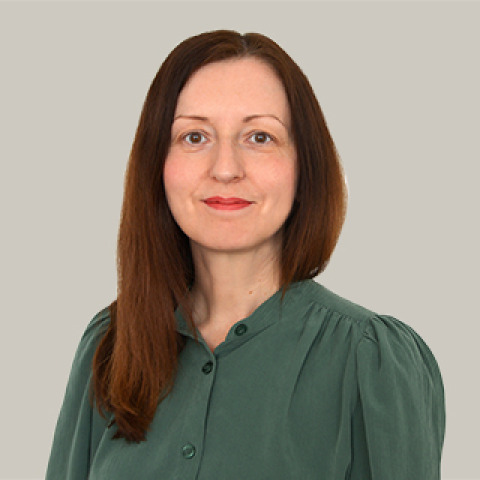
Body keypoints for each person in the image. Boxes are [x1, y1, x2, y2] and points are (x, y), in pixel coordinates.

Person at [46, 30, 445, 479]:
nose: (225, 169)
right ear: (157, 164)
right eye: (194, 136)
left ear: (304, 165)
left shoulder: (370, 361)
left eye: (259, 137)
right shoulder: (111, 345)